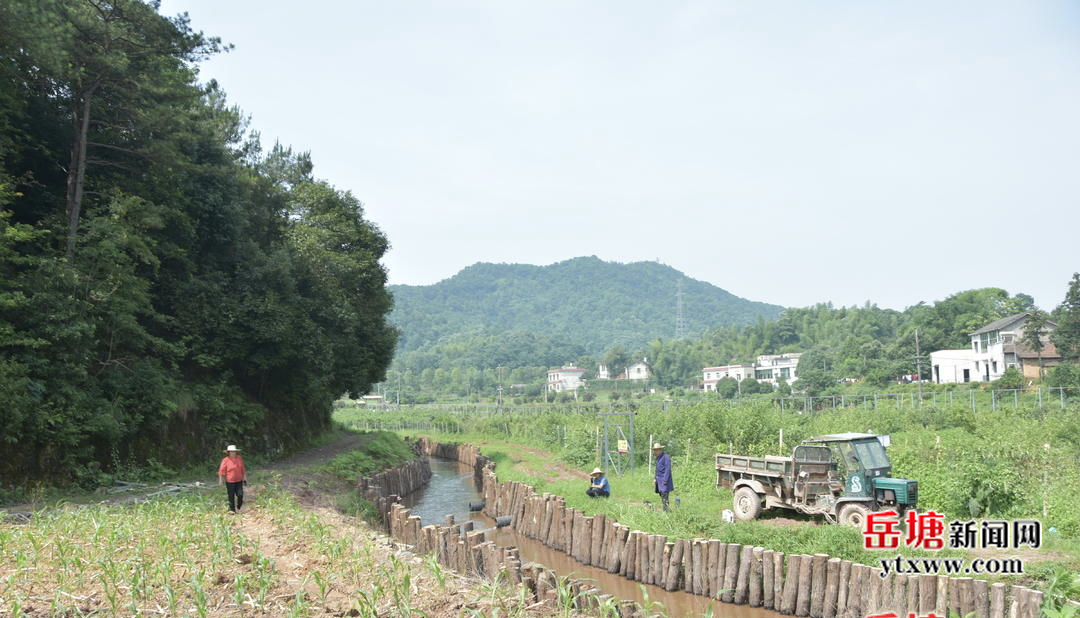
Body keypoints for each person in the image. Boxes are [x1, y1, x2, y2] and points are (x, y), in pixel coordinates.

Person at [218, 445, 247, 513]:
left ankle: (238, 506)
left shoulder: (239, 458)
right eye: (231, 452)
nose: (233, 453)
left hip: (239, 480)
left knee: (240, 494)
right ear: (228, 452)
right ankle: (232, 510)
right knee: (231, 496)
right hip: (230, 481)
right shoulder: (225, 460)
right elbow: (221, 470)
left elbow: (242, 468)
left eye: (234, 452)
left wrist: (245, 477)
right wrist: (220, 480)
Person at [653, 442, 673, 511]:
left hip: (664, 480)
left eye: (657, 450)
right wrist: (655, 478)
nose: (655, 451)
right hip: (659, 480)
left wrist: (665, 480)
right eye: (655, 450)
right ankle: (666, 509)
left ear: (661, 450)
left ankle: (666, 511)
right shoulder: (658, 458)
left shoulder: (666, 457)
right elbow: (657, 469)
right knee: (661, 494)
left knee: (665, 495)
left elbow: (668, 469)